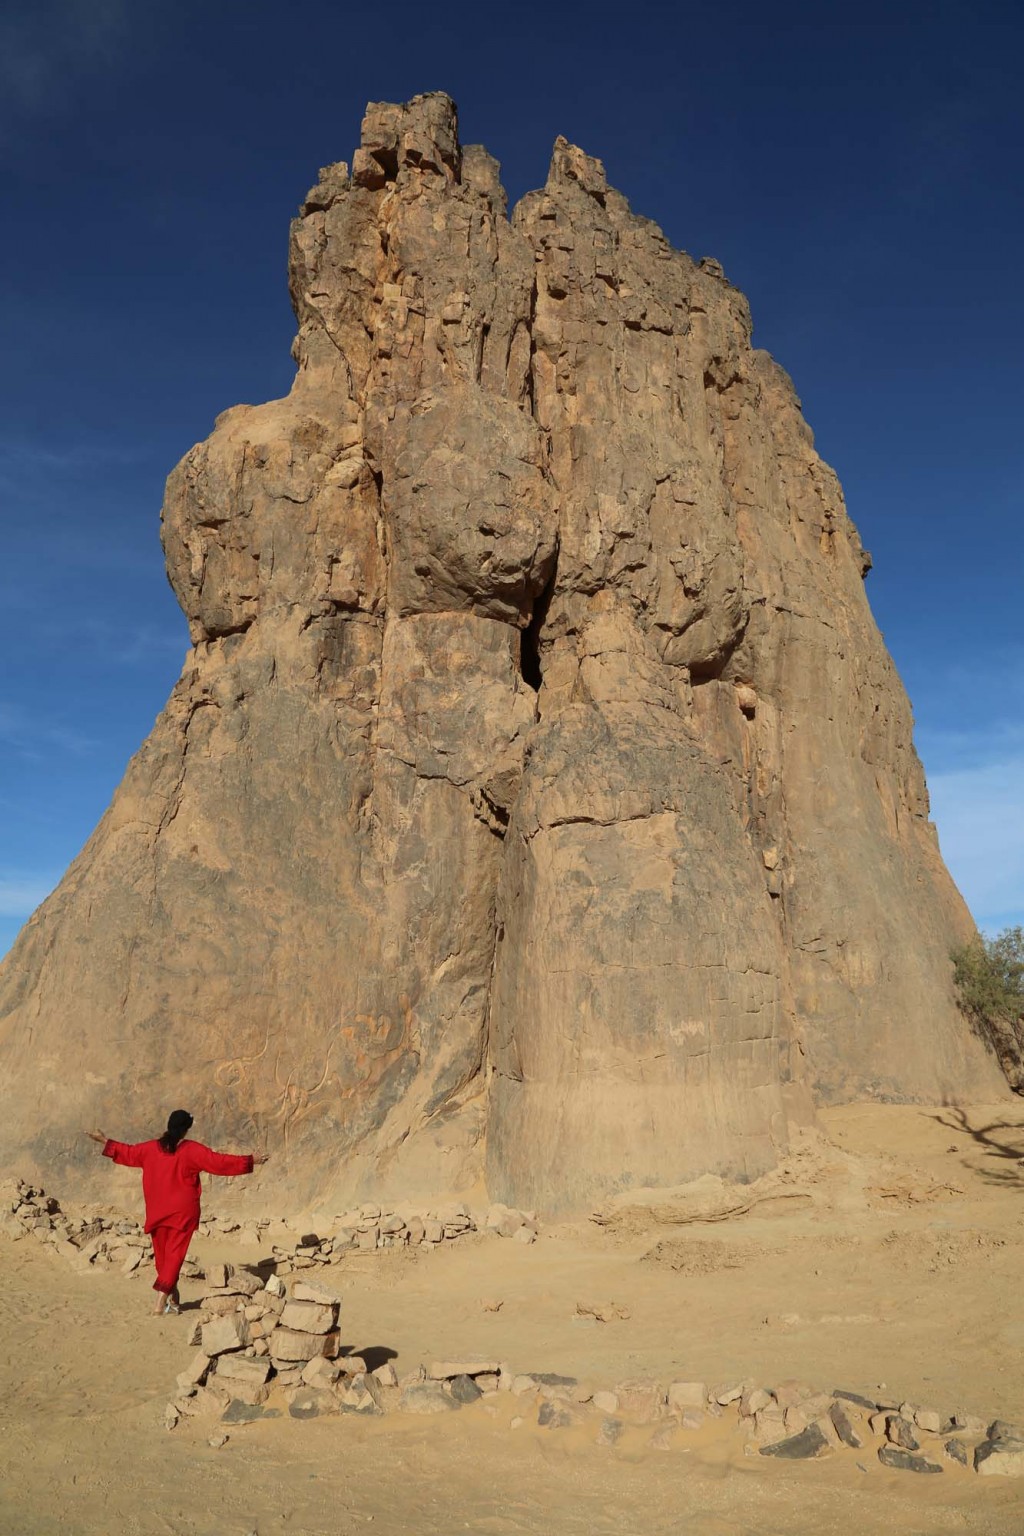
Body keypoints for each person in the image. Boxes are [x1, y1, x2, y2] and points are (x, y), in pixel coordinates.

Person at [85, 1111, 268, 1315]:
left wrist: (103, 1140)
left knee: (163, 1258)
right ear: (185, 1130)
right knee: (173, 1257)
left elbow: (128, 1152)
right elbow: (219, 1162)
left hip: (157, 1210)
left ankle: (172, 1299)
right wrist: (251, 1160)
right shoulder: (191, 1150)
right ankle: (160, 1303)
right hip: (183, 1213)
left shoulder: (151, 1148)